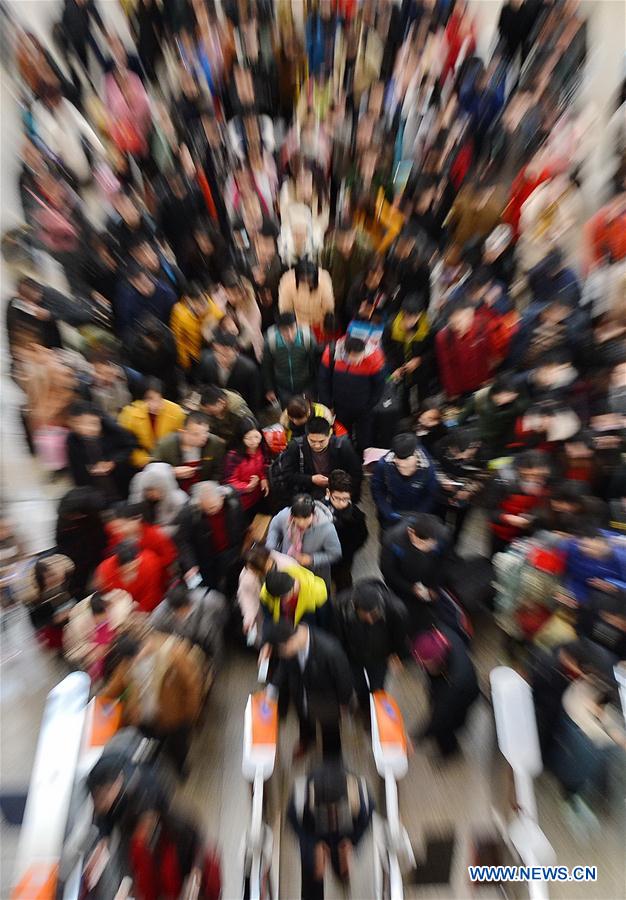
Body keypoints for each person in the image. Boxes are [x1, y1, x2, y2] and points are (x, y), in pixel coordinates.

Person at [100, 632, 203, 776]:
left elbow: (192, 686)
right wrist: (99, 701)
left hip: (175, 718)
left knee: (178, 748)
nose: (136, 660)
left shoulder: (172, 656)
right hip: (145, 719)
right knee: (152, 745)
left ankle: (181, 768)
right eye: (132, 659)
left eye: (139, 654)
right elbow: (113, 689)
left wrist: (190, 716)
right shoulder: (127, 665)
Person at [265, 620, 354, 759]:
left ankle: (331, 760)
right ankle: (307, 741)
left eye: (283, 652)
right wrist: (273, 687)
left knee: (330, 733)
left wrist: (344, 703)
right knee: (304, 722)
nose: (283, 657)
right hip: (301, 696)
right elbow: (283, 666)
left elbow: (344, 679)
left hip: (326, 701)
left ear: (290, 642)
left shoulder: (330, 650)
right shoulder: (289, 646)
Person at [288, 762, 374, 900]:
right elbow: (293, 820)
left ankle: (341, 874)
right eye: (327, 811)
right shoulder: (301, 793)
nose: (332, 816)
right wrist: (312, 846)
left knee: (340, 861)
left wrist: (352, 842)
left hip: (343, 833)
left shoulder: (357, 792)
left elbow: (367, 817)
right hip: (314, 832)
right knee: (314, 870)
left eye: (337, 811)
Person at [332, 579, 408, 719]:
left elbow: (401, 636)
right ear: (355, 607)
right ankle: (365, 707)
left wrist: (399, 656)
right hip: (352, 654)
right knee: (358, 685)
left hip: (380, 656)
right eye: (365, 615)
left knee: (377, 687)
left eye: (374, 614)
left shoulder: (396, 609)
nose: (371, 620)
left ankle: (377, 713)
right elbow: (338, 633)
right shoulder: (341, 605)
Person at [412, 625, 480, 757]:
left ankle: (450, 752)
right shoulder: (444, 637)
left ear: (438, 662)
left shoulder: (454, 684)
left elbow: (439, 717)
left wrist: (416, 738)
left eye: (424, 664)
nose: (421, 666)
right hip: (454, 684)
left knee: (446, 727)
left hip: (465, 695)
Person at [380, 514, 454, 635]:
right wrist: (410, 588)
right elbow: (388, 571)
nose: (426, 549)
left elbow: (444, 562)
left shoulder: (443, 535)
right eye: (421, 544)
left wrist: (434, 586)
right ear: (411, 532)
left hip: (427, 582)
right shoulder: (392, 539)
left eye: (431, 545)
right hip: (401, 585)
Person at [174, 481, 247, 594]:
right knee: (212, 587)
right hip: (206, 558)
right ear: (199, 504)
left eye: (214, 507)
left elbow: (241, 519)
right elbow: (183, 541)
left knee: (233, 580)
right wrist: (190, 565)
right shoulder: (188, 513)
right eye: (208, 510)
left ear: (222, 497)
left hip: (231, 552)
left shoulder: (233, 500)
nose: (212, 512)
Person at [318, 335, 385, 452]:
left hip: (364, 407)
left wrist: (369, 406)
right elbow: (323, 381)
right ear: (345, 352)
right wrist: (328, 405)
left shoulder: (374, 356)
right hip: (340, 406)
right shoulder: (331, 354)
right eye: (353, 357)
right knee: (342, 438)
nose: (357, 361)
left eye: (360, 356)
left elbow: (379, 386)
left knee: (365, 440)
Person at [276, 416, 363, 503]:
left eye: (321, 441)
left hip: (337, 491)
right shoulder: (295, 447)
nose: (317, 445)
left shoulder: (343, 447)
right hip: (308, 492)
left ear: (329, 435)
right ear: (306, 436)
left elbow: (356, 473)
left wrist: (347, 495)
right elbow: (287, 475)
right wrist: (311, 479)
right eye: (312, 441)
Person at [66, 401, 137, 502]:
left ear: (100, 418)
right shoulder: (73, 439)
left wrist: (113, 462)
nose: (86, 428)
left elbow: (130, 446)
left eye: (92, 423)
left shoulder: (113, 431)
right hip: (94, 486)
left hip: (121, 481)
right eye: (79, 423)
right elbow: (75, 469)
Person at [266, 494, 342, 587]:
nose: (301, 523)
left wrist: (312, 559)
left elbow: (335, 553)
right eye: (297, 518)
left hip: (313, 572)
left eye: (306, 518)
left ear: (313, 513)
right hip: (286, 564)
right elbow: (275, 526)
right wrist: (271, 546)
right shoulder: (285, 515)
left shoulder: (327, 529)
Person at [371, 432, 440, 528]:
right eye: (398, 463)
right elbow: (377, 489)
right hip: (390, 512)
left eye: (407, 461)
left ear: (415, 455)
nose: (402, 465)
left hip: (416, 515)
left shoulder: (428, 469)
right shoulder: (384, 465)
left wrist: (418, 515)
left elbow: (430, 495)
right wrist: (387, 511)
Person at [104, 501, 177, 592]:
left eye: (124, 524)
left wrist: (147, 564)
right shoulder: (118, 537)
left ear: (137, 519)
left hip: (157, 577)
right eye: (120, 525)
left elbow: (169, 557)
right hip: (131, 577)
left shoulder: (155, 535)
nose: (121, 529)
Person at [150, 580, 227, 664]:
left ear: (188, 603)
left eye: (183, 610)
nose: (180, 615)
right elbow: (155, 630)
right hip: (186, 640)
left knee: (212, 637)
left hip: (209, 634)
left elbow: (223, 608)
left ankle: (217, 662)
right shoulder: (160, 614)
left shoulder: (208, 599)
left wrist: (218, 625)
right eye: (176, 612)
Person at [118, 378, 186, 469]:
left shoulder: (175, 411)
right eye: (149, 399)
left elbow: (182, 438)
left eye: (158, 399)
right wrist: (143, 460)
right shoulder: (129, 413)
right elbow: (126, 444)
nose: (154, 404)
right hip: (141, 462)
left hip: (169, 459)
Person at [382, 294, 433, 412]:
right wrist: (396, 367)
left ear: (420, 314)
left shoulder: (426, 328)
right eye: (407, 316)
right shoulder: (391, 327)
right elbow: (387, 349)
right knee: (403, 401)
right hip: (401, 370)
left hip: (421, 371)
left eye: (415, 317)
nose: (410, 321)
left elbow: (432, 350)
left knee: (424, 401)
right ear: (402, 312)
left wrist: (420, 360)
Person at [435, 299, 493, 401]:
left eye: (459, 322)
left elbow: (489, 354)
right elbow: (446, 367)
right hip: (461, 390)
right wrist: (452, 393)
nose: (457, 327)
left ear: (469, 315)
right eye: (453, 324)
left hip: (483, 384)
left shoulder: (482, 325)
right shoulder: (443, 338)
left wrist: (488, 379)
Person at [152, 411, 225, 492]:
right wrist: (172, 472)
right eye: (196, 434)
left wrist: (210, 488)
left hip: (204, 491)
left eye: (206, 432)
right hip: (173, 491)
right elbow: (152, 472)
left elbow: (219, 472)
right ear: (183, 432)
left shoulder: (214, 443)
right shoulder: (166, 445)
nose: (203, 437)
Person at [55, 486, 108, 595]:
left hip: (93, 552)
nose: (75, 517)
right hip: (73, 557)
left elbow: (100, 541)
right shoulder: (66, 515)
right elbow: (61, 542)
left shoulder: (91, 513)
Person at [323, 470, 368, 591]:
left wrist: (347, 552)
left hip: (343, 559)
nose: (341, 503)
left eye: (345, 499)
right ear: (328, 492)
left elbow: (362, 537)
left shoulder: (356, 516)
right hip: (322, 558)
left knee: (344, 587)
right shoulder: (318, 510)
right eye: (337, 498)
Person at [262, 312, 319, 406]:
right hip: (283, 388)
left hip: (305, 386)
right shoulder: (271, 342)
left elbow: (315, 365)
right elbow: (266, 367)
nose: (289, 334)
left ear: (296, 325)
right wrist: (270, 389)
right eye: (284, 330)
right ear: (279, 330)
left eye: (292, 328)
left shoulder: (307, 339)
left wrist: (314, 388)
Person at [321, 222, 372, 328]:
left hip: (357, 296)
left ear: (354, 237)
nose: (344, 245)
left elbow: (371, 274)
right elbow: (324, 275)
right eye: (340, 240)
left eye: (348, 240)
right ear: (335, 238)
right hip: (337, 296)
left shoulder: (365, 251)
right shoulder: (328, 252)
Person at [94, 539, 164, 613]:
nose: (131, 572)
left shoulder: (151, 562)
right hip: (118, 610)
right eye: (126, 570)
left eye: (134, 567)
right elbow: (103, 593)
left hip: (147, 610)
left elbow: (152, 594)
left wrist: (137, 608)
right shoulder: (105, 570)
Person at [199, 331, 261, 413]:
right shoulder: (207, 363)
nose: (223, 359)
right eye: (220, 354)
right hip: (215, 409)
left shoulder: (249, 369)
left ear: (236, 351)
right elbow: (202, 386)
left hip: (238, 409)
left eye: (227, 355)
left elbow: (254, 398)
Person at [170, 283, 222, 379]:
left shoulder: (214, 310)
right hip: (193, 358)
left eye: (204, 302)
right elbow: (178, 339)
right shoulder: (179, 312)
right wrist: (184, 362)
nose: (202, 308)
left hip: (212, 354)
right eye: (197, 304)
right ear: (188, 301)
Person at [114, 262, 177, 341]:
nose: (142, 288)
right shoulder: (127, 298)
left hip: (164, 336)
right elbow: (124, 328)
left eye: (144, 283)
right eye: (136, 285)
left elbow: (173, 323)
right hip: (140, 339)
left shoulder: (167, 294)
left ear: (150, 277)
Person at [259, 564, 329, 633]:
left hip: (308, 628)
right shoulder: (268, 590)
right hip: (285, 628)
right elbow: (269, 619)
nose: (296, 585)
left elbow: (323, 622)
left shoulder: (318, 591)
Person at [223, 419, 270, 518]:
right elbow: (229, 481)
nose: (254, 442)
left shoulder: (261, 447)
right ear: (241, 438)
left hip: (259, 495)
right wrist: (247, 487)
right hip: (243, 503)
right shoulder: (233, 456)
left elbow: (265, 463)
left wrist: (263, 478)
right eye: (248, 438)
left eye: (256, 436)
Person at [278, 258, 335, 336]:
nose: (306, 283)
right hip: (298, 323)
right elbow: (286, 309)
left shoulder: (324, 280)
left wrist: (323, 325)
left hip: (319, 321)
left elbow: (328, 308)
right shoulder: (287, 282)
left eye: (309, 280)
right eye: (303, 280)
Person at [128, 461, 187, 535]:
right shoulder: (139, 502)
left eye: (155, 489)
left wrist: (158, 533)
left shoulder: (178, 500)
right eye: (148, 490)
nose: (151, 494)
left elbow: (179, 526)